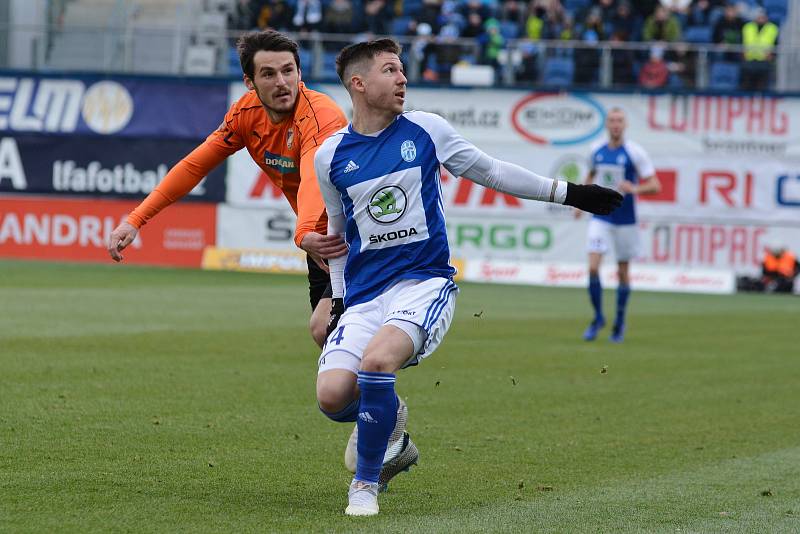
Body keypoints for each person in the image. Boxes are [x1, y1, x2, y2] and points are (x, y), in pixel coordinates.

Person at [313, 38, 623, 516]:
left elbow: (493, 172)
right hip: (364, 294)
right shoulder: (330, 156)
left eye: (402, 70)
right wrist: (337, 302)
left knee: (377, 364)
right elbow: (336, 239)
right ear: (359, 83)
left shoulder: (426, 129)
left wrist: (572, 193)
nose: (403, 79)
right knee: (333, 397)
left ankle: (365, 484)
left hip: (423, 283)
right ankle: (391, 423)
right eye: (391, 71)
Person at [106, 30, 349, 348]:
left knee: (326, 330)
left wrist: (303, 232)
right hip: (320, 245)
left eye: (288, 71)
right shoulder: (246, 114)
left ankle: (377, 395)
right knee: (335, 344)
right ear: (250, 82)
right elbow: (194, 166)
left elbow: (314, 177)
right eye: (268, 74)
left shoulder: (320, 115)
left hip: (353, 239)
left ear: (300, 73)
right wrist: (136, 219)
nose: (281, 82)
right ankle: (379, 398)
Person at [578, 108, 661, 343]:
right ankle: (597, 318)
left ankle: (619, 322)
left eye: (619, 121)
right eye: (612, 121)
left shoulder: (635, 153)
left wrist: (635, 189)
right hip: (600, 217)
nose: (616, 125)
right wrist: (579, 202)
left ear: (625, 125)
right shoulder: (596, 150)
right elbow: (590, 176)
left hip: (625, 220)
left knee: (623, 272)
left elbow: (655, 185)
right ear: (607, 124)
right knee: (593, 267)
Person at [741, 8, 779, 92]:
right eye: (759, 16)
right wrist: (743, 53)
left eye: (763, 16)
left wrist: (772, 55)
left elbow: (776, 44)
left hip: (764, 60)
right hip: (749, 59)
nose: (761, 18)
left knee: (762, 87)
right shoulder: (748, 27)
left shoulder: (772, 28)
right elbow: (742, 41)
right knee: (746, 85)